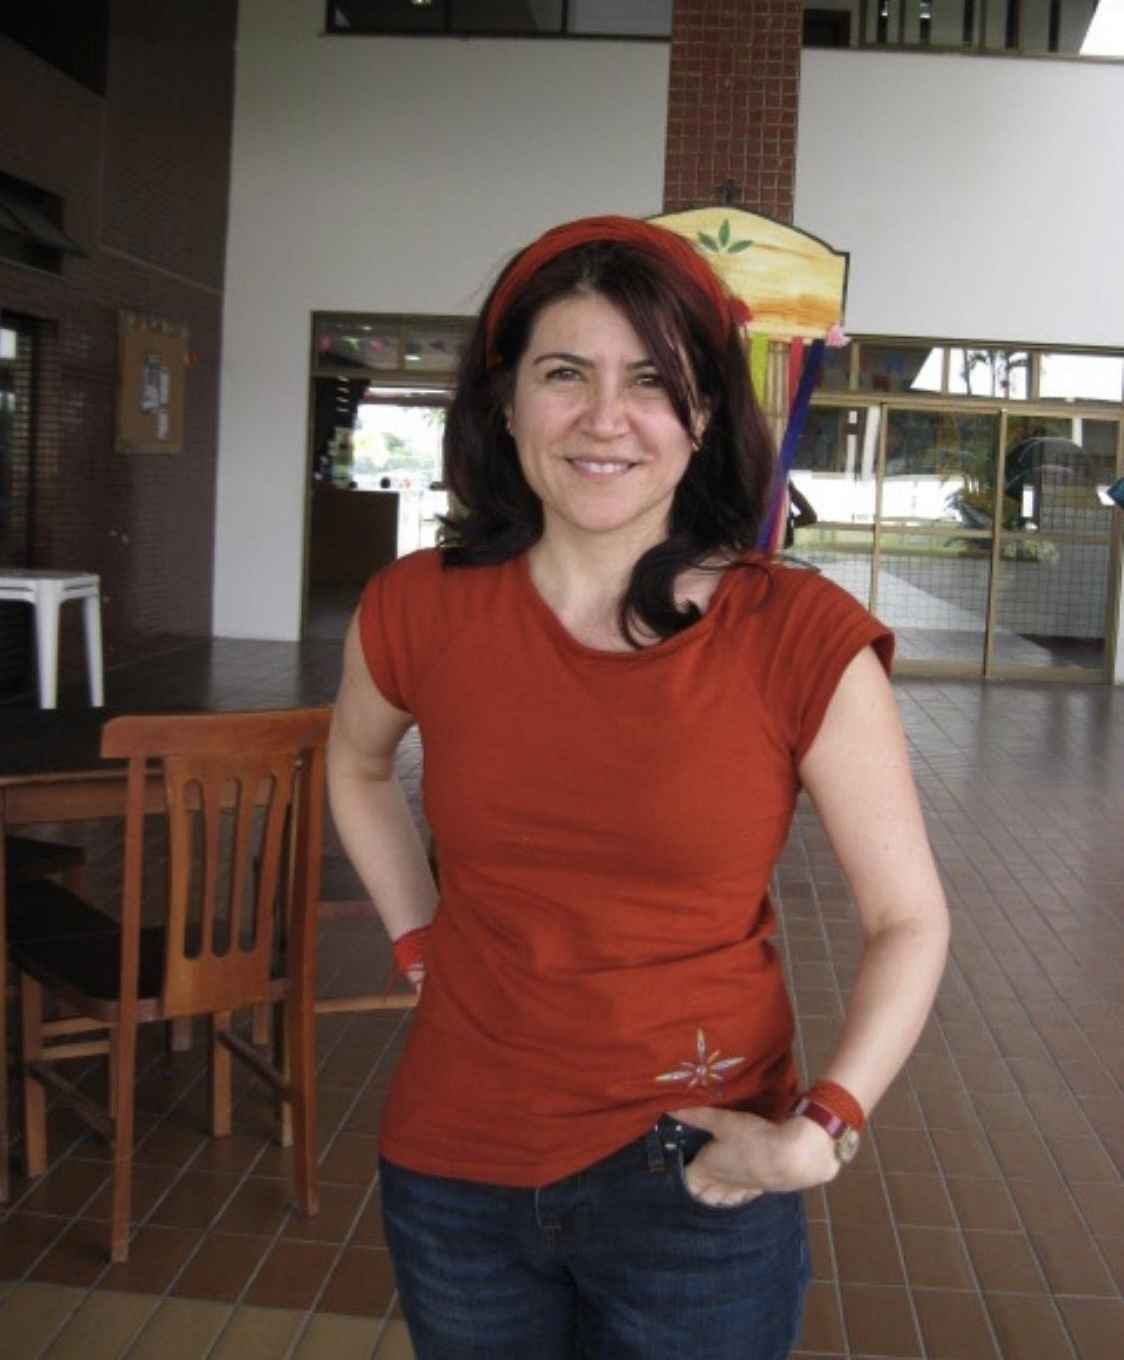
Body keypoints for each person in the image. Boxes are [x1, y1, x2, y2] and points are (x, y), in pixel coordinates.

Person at [327, 215, 949, 1360]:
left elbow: (906, 919)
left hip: (696, 1177)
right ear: (505, 403)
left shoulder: (796, 636)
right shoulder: (416, 607)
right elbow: (356, 763)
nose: (604, 417)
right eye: (564, 373)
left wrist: (825, 1124)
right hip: (455, 1169)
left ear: (701, 416)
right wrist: (418, 937)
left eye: (651, 381)